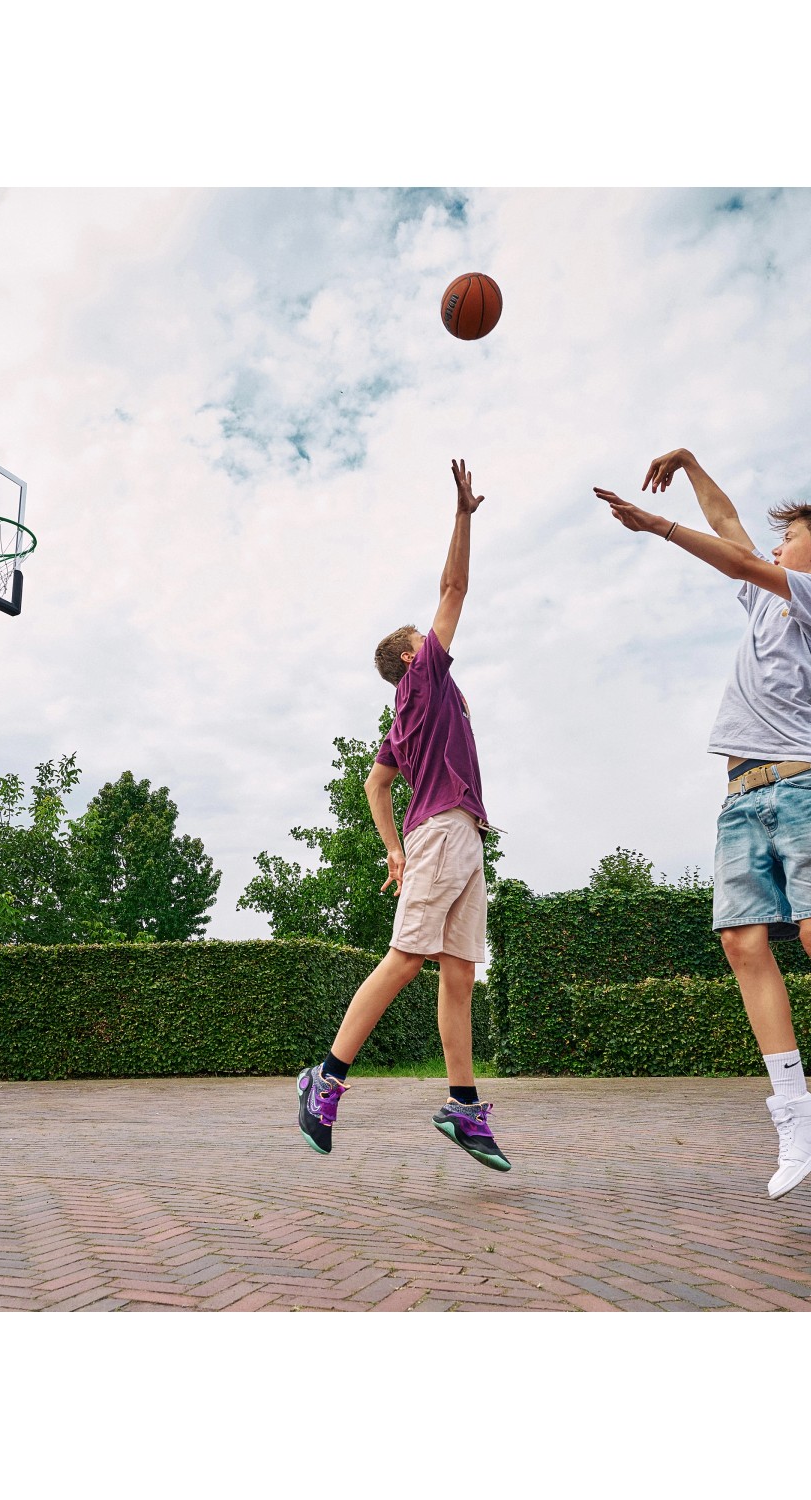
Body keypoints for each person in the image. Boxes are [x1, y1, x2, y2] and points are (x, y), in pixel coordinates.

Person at [596, 448, 811, 1198]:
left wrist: (658, 527)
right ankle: (799, 1111)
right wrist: (693, 463)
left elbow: (739, 559)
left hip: (804, 783)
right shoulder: (768, 596)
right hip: (740, 793)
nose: (776, 545)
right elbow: (730, 527)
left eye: (789, 535)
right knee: (740, 942)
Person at [296, 458, 509, 1172]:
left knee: (457, 975)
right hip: (446, 830)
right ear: (412, 655)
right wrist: (463, 516)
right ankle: (324, 1080)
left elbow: (374, 782)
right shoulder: (422, 679)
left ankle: (462, 1105)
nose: (435, 637)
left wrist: (393, 849)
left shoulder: (412, 712)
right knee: (407, 957)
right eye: (425, 636)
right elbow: (455, 586)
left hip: (454, 833)